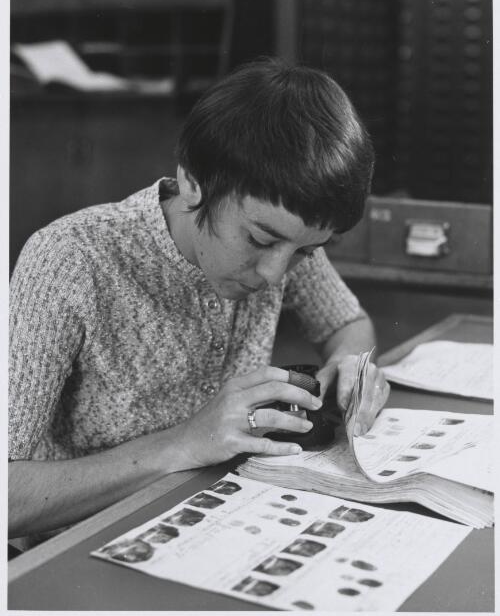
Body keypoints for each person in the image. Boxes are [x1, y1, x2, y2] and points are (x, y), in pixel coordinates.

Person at [9, 57, 389, 544]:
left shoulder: (286, 241)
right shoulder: (69, 259)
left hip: (228, 523)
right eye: (259, 239)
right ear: (192, 182)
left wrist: (351, 366)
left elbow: (347, 324)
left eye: (307, 252)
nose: (276, 273)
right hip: (85, 549)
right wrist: (186, 442)